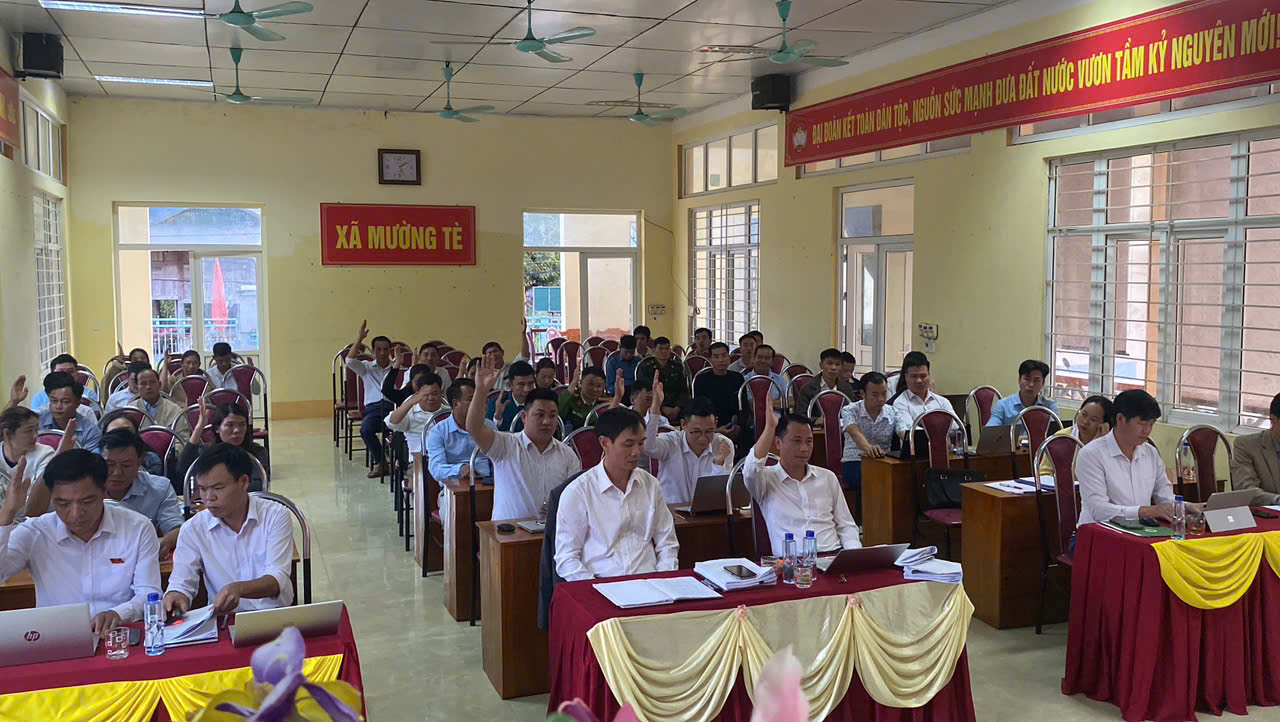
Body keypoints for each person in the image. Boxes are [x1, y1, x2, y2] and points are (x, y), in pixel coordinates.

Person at [0, 449, 161, 637]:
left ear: (104, 490)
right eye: (63, 504)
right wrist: (7, 514)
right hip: (56, 638)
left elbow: (149, 594)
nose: (76, 513)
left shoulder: (137, 528)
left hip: (118, 635)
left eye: (86, 501)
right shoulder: (35, 532)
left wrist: (118, 613)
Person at [164, 444, 294, 616]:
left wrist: (238, 589)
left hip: (274, 616)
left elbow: (278, 577)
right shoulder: (193, 529)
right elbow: (181, 582)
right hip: (225, 619)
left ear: (244, 482)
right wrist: (176, 595)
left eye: (218, 488)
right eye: (203, 489)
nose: (209, 498)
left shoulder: (275, 515)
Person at [554, 408, 679, 581]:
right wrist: (595, 588)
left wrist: (663, 578)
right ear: (605, 443)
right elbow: (567, 558)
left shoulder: (651, 485)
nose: (636, 452)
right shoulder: (578, 492)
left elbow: (667, 544)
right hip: (601, 583)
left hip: (651, 581)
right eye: (628, 444)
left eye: (641, 443)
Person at [468, 363, 580, 521]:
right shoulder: (505, 444)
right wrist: (481, 391)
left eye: (552, 416)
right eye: (539, 415)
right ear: (524, 417)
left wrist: (559, 509)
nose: (547, 421)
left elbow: (575, 496)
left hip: (552, 530)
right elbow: (474, 427)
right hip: (508, 531)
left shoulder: (567, 455)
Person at [745, 410, 861, 554]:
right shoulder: (765, 480)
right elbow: (751, 469)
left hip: (832, 555)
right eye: (797, 441)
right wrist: (769, 428)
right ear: (778, 443)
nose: (804, 448)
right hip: (792, 562)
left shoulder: (827, 477)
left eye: (809, 441)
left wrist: (853, 555)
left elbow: (846, 525)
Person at [1075, 390, 1196, 527]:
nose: (1147, 430)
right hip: (1097, 532)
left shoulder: (1150, 453)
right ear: (1120, 419)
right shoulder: (1091, 454)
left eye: (1151, 424)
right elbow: (1099, 511)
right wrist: (1148, 511)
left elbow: (1165, 499)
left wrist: (1188, 507)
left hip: (1139, 530)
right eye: (1142, 424)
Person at [95, 429, 184, 557]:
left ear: (139, 463)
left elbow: (176, 528)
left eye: (126, 465)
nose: (117, 472)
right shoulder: (87, 488)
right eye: (110, 464)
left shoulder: (159, 488)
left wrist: (164, 543)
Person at [643, 387, 733, 505]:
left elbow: (720, 494)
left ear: (715, 424)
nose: (703, 438)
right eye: (696, 432)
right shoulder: (671, 442)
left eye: (709, 431)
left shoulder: (723, 445)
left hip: (707, 512)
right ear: (683, 424)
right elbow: (648, 447)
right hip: (671, 511)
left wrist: (718, 464)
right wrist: (655, 410)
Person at [177, 399, 269, 493]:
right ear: (217, 428)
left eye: (242, 425)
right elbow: (183, 467)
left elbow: (257, 486)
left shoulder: (257, 452)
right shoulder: (208, 452)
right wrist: (199, 428)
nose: (237, 430)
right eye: (230, 425)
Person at [0, 406, 67, 522]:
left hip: (35, 521)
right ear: (7, 434)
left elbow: (34, 507)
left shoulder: (45, 453)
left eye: (36, 429)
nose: (36, 435)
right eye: (29, 430)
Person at [346, 321, 395, 478]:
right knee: (366, 430)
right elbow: (349, 361)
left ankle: (401, 463)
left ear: (390, 351)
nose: (382, 353)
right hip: (373, 409)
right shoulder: (366, 367)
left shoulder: (397, 367)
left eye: (386, 349)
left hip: (393, 408)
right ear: (373, 351)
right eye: (378, 349)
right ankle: (381, 463)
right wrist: (360, 338)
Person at [839, 372, 901, 492]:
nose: (881, 399)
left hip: (884, 462)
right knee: (875, 479)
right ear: (863, 394)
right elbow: (855, 432)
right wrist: (869, 448)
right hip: (855, 461)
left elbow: (902, 431)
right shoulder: (850, 410)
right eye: (875, 394)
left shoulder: (893, 412)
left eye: (884, 394)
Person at [1040, 395, 1112, 476]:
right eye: (1083, 414)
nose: (1085, 421)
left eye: (1093, 419)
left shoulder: (1111, 446)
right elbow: (1044, 473)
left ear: (1105, 424)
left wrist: (1102, 442)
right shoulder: (1061, 437)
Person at [691, 342, 745, 449]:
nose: (721, 360)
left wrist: (738, 426)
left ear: (729, 358)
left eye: (724, 356)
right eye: (716, 357)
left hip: (733, 424)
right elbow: (698, 409)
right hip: (709, 425)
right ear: (710, 360)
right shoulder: (701, 380)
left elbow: (743, 407)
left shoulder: (737, 378)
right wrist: (715, 429)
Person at [1231, 392, 1280, 506]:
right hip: (1267, 512)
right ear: (1273, 419)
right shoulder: (1247, 445)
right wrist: (1277, 499)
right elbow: (1245, 490)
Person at [891, 352, 957, 435]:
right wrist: (939, 426)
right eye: (914, 376)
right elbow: (911, 432)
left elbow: (956, 427)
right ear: (906, 377)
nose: (919, 381)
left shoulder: (942, 402)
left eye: (923, 376)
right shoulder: (900, 403)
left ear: (929, 375)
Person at [38, 372, 103, 451]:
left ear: (77, 403)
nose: (58, 406)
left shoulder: (90, 431)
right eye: (54, 401)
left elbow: (88, 458)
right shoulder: (36, 421)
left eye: (65, 402)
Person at [386, 371, 445, 456]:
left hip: (447, 458)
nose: (430, 398)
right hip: (419, 459)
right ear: (418, 394)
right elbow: (391, 423)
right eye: (426, 394)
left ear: (441, 393)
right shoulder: (410, 413)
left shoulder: (449, 412)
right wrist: (410, 402)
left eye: (434, 394)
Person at [986, 359, 1060, 426]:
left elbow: (1055, 433)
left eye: (1036, 380)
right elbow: (990, 432)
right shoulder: (1003, 405)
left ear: (1043, 383)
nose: (1031, 384)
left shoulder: (1049, 407)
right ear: (1019, 380)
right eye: (1027, 379)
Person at [795, 348, 858, 421]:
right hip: (817, 427)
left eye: (837, 364)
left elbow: (852, 412)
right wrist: (816, 420)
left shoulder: (847, 388)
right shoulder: (807, 389)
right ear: (821, 365)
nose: (833, 368)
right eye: (829, 363)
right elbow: (801, 415)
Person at [636, 337, 687, 424]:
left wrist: (677, 408)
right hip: (653, 404)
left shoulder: (677, 367)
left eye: (666, 349)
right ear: (654, 350)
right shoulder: (645, 367)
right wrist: (662, 407)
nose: (664, 351)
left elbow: (683, 390)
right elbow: (645, 391)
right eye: (660, 348)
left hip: (675, 407)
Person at [99, 409, 165, 476]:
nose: (121, 437)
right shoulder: (96, 456)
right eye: (114, 433)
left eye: (127, 432)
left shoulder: (150, 459)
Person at [29, 354, 100, 410]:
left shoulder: (89, 394)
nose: (66, 375)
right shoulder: (39, 397)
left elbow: (96, 417)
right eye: (61, 372)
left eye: (70, 371)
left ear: (77, 373)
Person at [487, 361, 536, 432]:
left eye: (530, 384)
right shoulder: (496, 404)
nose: (527, 389)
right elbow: (487, 433)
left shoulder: (539, 403)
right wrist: (497, 416)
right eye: (521, 384)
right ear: (510, 385)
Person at [559, 366, 607, 431]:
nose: (594, 389)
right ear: (581, 383)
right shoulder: (571, 399)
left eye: (599, 386)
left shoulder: (605, 403)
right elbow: (558, 414)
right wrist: (573, 383)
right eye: (590, 384)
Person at [742, 344, 787, 410]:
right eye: (760, 357)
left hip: (777, 416)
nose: (763, 361)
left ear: (772, 361)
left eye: (767, 358)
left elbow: (791, 401)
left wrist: (766, 404)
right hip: (752, 416)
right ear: (754, 358)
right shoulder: (744, 380)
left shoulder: (780, 380)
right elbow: (748, 404)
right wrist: (778, 404)